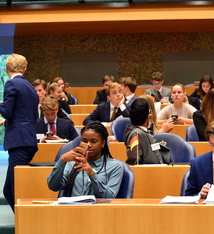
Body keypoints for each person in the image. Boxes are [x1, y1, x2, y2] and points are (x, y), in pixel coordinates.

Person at [0, 54, 39, 212]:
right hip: (27, 139)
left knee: (15, 190)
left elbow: (7, 111)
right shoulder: (30, 87)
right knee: (9, 190)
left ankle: (28, 225)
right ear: (24, 69)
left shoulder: (11, 84)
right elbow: (23, 113)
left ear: (6, 69)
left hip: (19, 142)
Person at [47, 122, 123, 198]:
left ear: (103, 143)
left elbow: (109, 197)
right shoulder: (73, 164)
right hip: (74, 208)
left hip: (99, 209)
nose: (89, 145)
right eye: (84, 141)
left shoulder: (115, 167)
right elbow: (53, 186)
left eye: (93, 141)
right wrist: (62, 161)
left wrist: (91, 173)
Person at [124, 98, 170, 165]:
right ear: (149, 116)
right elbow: (134, 161)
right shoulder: (135, 134)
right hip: (149, 172)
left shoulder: (144, 131)